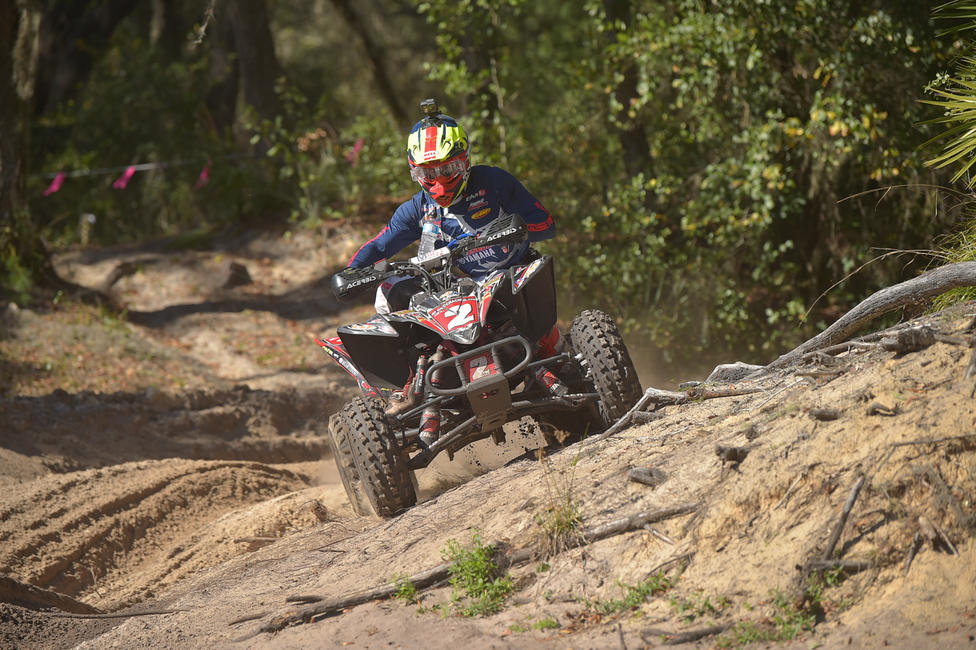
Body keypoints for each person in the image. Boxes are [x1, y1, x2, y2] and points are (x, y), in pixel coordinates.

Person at [339, 98, 556, 313]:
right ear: (414, 172)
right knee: (388, 293)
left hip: (514, 275)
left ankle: (554, 341)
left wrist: (516, 231)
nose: (440, 181)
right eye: (428, 173)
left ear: (465, 160)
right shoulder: (417, 209)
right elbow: (379, 246)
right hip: (459, 291)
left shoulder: (493, 182)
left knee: (530, 288)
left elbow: (546, 224)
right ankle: (429, 349)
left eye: (448, 169)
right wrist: (352, 272)